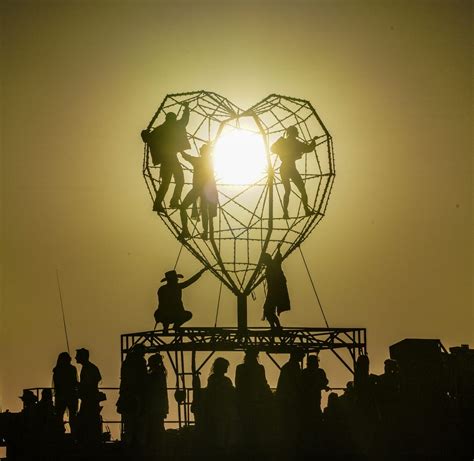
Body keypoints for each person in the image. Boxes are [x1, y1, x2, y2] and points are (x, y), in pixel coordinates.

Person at [142, 103, 191, 213]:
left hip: (166, 159)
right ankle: (172, 201)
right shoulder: (174, 126)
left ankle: (158, 203)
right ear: (172, 119)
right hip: (171, 159)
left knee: (166, 183)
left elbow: (147, 138)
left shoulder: (160, 129)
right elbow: (184, 120)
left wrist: (144, 133)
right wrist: (186, 108)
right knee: (179, 180)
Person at [271, 126, 319, 218]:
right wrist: (313, 141)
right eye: (296, 132)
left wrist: (281, 149)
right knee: (301, 190)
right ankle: (305, 210)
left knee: (288, 190)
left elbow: (272, 149)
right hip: (290, 168)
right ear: (293, 133)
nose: (298, 134)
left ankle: (286, 213)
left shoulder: (283, 141)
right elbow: (309, 149)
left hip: (285, 168)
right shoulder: (295, 143)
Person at [235, 349, 272, 451]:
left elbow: (238, 385)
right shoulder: (259, 368)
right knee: (256, 425)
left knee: (245, 425)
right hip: (256, 401)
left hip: (244, 401)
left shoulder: (240, 368)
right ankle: (255, 447)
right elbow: (263, 384)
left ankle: (246, 446)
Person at [179, 143, 218, 240]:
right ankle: (205, 232)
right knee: (204, 211)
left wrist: (180, 149)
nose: (200, 150)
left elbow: (186, 157)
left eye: (201, 149)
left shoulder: (198, 161)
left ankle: (185, 230)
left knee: (183, 207)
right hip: (206, 191)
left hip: (197, 190)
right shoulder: (210, 162)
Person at [154, 268, 206, 333]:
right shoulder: (174, 287)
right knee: (186, 314)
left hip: (162, 314)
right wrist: (201, 272)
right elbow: (189, 281)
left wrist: (200, 273)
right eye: (176, 279)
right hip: (169, 314)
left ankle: (167, 328)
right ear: (172, 280)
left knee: (168, 313)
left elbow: (189, 281)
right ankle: (173, 326)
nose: (177, 280)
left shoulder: (163, 289)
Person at [116, 343, 148, 449]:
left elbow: (124, 378)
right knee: (139, 424)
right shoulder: (140, 362)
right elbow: (143, 380)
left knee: (128, 423)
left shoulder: (126, 362)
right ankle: (138, 446)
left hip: (126, 395)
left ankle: (128, 444)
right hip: (136, 396)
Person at [203, 357, 236, 453]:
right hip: (221, 410)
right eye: (225, 366)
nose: (226, 368)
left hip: (219, 410)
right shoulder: (224, 380)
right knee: (222, 432)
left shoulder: (213, 379)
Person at [276, 350, 304, 450]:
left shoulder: (287, 367)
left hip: (286, 398)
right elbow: (297, 383)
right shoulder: (294, 367)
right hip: (291, 399)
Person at [142, 353, 168, 455]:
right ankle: (160, 446)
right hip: (159, 405)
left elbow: (149, 385)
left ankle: (157, 446)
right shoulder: (161, 373)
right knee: (158, 425)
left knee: (155, 426)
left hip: (154, 405)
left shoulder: (155, 374)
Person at [75, 348, 102, 444]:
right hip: (90, 397)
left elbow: (89, 384)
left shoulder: (88, 368)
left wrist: (79, 385)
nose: (75, 357)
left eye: (77, 356)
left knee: (88, 418)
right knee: (91, 418)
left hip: (89, 398)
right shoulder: (91, 367)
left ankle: (89, 439)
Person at [260, 249, 290, 331]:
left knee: (268, 310)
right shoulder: (269, 267)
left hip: (275, 292)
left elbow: (278, 259)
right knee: (267, 310)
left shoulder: (274, 264)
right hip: (272, 292)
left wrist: (279, 248)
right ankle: (274, 327)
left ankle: (277, 327)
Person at [52, 351, 78, 435]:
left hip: (61, 396)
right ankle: (73, 432)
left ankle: (59, 432)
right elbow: (74, 382)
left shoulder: (57, 370)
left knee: (59, 415)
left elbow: (56, 384)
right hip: (71, 395)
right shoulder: (72, 369)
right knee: (72, 416)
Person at [301, 355, 329, 425]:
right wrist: (323, 386)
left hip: (307, 400)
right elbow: (325, 381)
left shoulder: (304, 373)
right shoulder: (319, 372)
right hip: (312, 399)